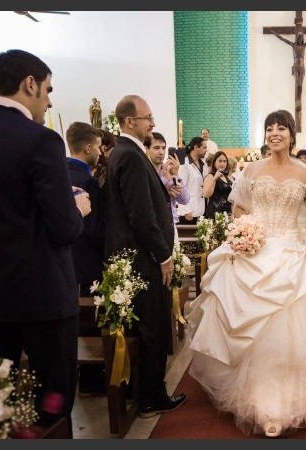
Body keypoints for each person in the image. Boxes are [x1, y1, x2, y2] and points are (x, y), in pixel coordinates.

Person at [0, 50, 91, 432]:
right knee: (53, 392)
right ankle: (53, 431)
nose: (50, 100)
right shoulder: (40, 140)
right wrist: (80, 209)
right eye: (47, 89)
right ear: (29, 84)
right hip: (44, 296)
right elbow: (64, 228)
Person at [186, 109, 306, 438]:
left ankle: (289, 396)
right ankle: (252, 394)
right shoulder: (251, 169)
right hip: (253, 250)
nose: (275, 133)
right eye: (269, 128)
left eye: (281, 128)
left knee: (291, 328)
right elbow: (239, 207)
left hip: (291, 252)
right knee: (245, 322)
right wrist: (245, 231)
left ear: (292, 134)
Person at [104, 94, 187, 418]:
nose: (152, 123)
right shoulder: (131, 156)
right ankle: (152, 398)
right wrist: (163, 256)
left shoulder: (124, 153)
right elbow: (141, 216)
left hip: (136, 261)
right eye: (147, 118)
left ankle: (146, 392)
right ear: (129, 122)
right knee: (153, 332)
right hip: (144, 262)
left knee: (150, 331)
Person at [65, 121, 107, 396]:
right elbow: (95, 228)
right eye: (99, 147)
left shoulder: (56, 173)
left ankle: (82, 376)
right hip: (87, 260)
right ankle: (92, 380)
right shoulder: (87, 180)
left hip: (65, 260)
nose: (101, 152)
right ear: (89, 146)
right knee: (90, 321)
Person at [177, 136, 208, 224]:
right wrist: (186, 209)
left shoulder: (204, 164)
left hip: (201, 209)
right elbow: (180, 187)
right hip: (188, 212)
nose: (206, 150)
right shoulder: (184, 163)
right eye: (204, 147)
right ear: (196, 147)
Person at [202, 150, 235, 219]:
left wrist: (233, 213)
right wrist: (214, 179)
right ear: (214, 163)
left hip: (227, 212)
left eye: (224, 161)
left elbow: (233, 198)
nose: (222, 163)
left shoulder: (229, 177)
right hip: (214, 211)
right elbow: (206, 194)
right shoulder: (210, 176)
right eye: (220, 161)